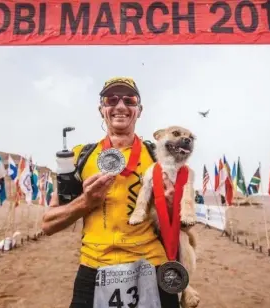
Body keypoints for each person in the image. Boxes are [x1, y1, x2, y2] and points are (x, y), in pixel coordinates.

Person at [42, 77, 180, 308]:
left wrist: (170, 205)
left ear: (139, 110)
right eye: (111, 99)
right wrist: (86, 202)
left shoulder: (159, 157)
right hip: (94, 266)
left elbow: (185, 224)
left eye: (129, 100)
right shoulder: (79, 157)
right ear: (101, 109)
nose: (120, 106)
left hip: (152, 265)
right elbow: (48, 224)